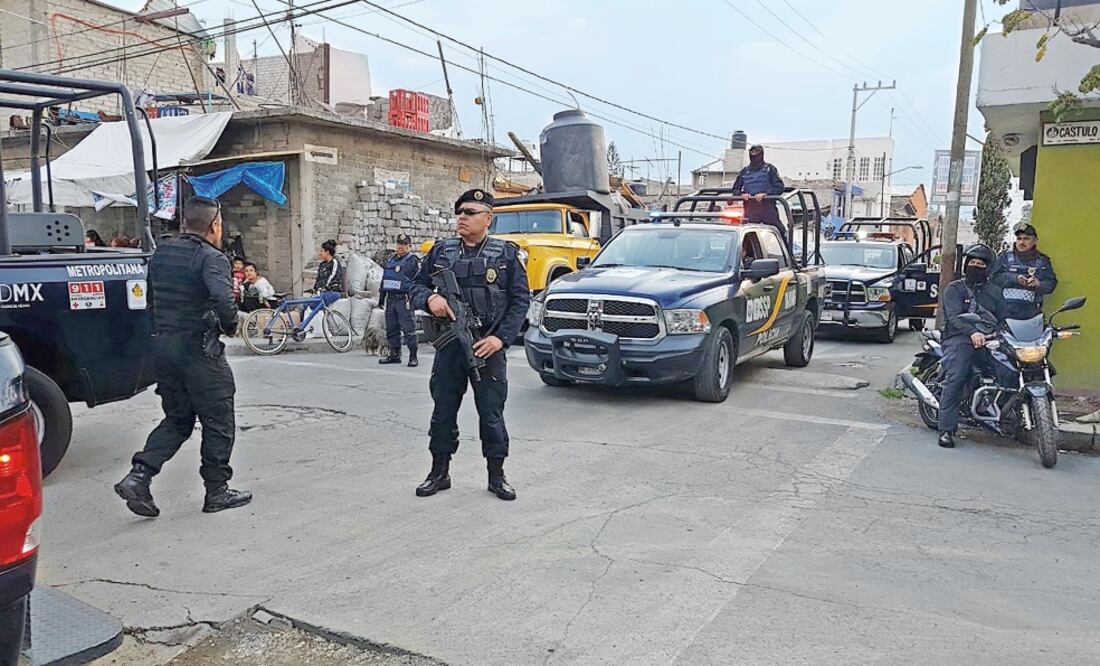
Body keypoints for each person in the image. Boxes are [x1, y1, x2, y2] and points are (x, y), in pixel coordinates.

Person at [114, 196, 251, 517]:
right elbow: (223, 299)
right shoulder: (211, 257)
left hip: (165, 350)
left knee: (177, 420)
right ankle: (217, 491)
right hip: (199, 352)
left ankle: (139, 476)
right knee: (219, 421)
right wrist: (228, 325)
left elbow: (149, 300)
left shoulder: (162, 253)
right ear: (214, 225)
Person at [408, 189, 530, 501]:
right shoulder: (441, 251)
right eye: (460, 211)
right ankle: (439, 472)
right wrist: (431, 297)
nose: (462, 217)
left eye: (471, 212)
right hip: (450, 345)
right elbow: (416, 286)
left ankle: (496, 475)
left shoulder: (506, 255)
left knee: (491, 414)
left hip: (487, 348)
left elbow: (520, 301)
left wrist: (500, 338)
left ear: (488, 219)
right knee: (443, 410)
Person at [936, 244, 1005, 450]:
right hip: (959, 338)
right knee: (957, 377)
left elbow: (1004, 317)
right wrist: (972, 332)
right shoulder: (955, 288)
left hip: (990, 338)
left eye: (980, 263)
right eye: (972, 263)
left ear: (988, 267)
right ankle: (947, 429)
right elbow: (954, 318)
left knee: (1010, 369)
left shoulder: (994, 292)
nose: (976, 266)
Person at [991, 222, 1057, 321]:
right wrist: (1015, 278)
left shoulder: (1042, 261)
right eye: (1019, 239)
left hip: (1030, 313)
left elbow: (1051, 284)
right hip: (1003, 312)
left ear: (1035, 241)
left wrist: (1039, 284)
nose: (1022, 242)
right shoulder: (1004, 257)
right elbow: (993, 279)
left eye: (1026, 239)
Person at [379, 234, 422, 367]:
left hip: (404, 300)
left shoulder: (412, 260)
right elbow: (385, 278)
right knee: (391, 329)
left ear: (409, 246)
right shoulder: (391, 259)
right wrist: (381, 296)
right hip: (391, 299)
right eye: (398, 244)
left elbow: (418, 280)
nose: (400, 247)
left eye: (403, 244)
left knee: (409, 330)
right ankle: (394, 354)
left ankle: (413, 356)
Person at [731, 144, 786, 240]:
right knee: (748, 237)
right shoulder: (745, 171)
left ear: (761, 154)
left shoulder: (770, 169)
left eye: (756, 152)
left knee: (779, 232)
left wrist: (766, 194)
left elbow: (779, 187)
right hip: (750, 210)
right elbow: (735, 188)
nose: (754, 154)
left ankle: (788, 253)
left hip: (767, 209)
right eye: (751, 152)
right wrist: (741, 194)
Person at [311, 239, 346, 305]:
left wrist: (324, 288)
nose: (320, 253)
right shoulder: (322, 264)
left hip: (332, 292)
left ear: (327, 252)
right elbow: (318, 279)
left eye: (322, 251)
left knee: (312, 303)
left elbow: (333, 277)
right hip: (321, 293)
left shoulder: (334, 263)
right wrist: (315, 290)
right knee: (306, 304)